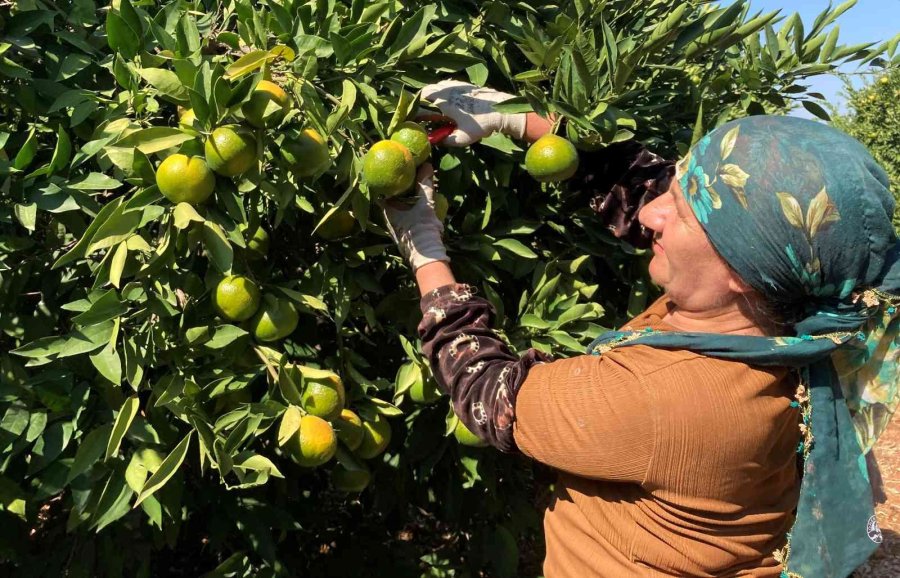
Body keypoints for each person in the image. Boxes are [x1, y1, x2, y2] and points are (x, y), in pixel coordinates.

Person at [384, 80, 900, 578]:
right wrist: (520, 121)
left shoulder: (661, 397)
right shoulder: (785, 314)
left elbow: (492, 394)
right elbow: (652, 192)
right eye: (672, 191)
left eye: (679, 210)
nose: (653, 212)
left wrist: (426, 251)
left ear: (743, 271)